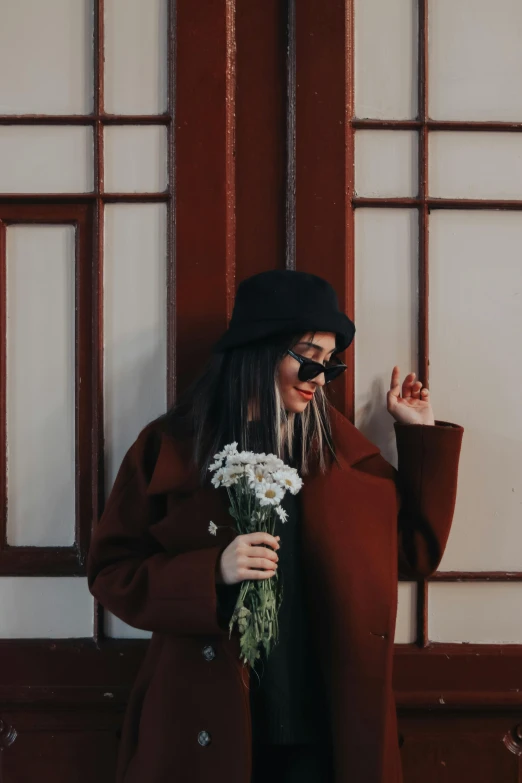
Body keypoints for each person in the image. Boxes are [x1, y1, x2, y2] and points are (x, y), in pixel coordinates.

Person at [87, 269, 464, 783]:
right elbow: (110, 572)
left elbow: (416, 551)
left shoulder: (342, 455)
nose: (318, 376)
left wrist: (418, 434)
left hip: (325, 734)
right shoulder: (172, 447)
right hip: (204, 725)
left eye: (330, 364)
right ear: (257, 348)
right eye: (308, 356)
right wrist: (210, 573)